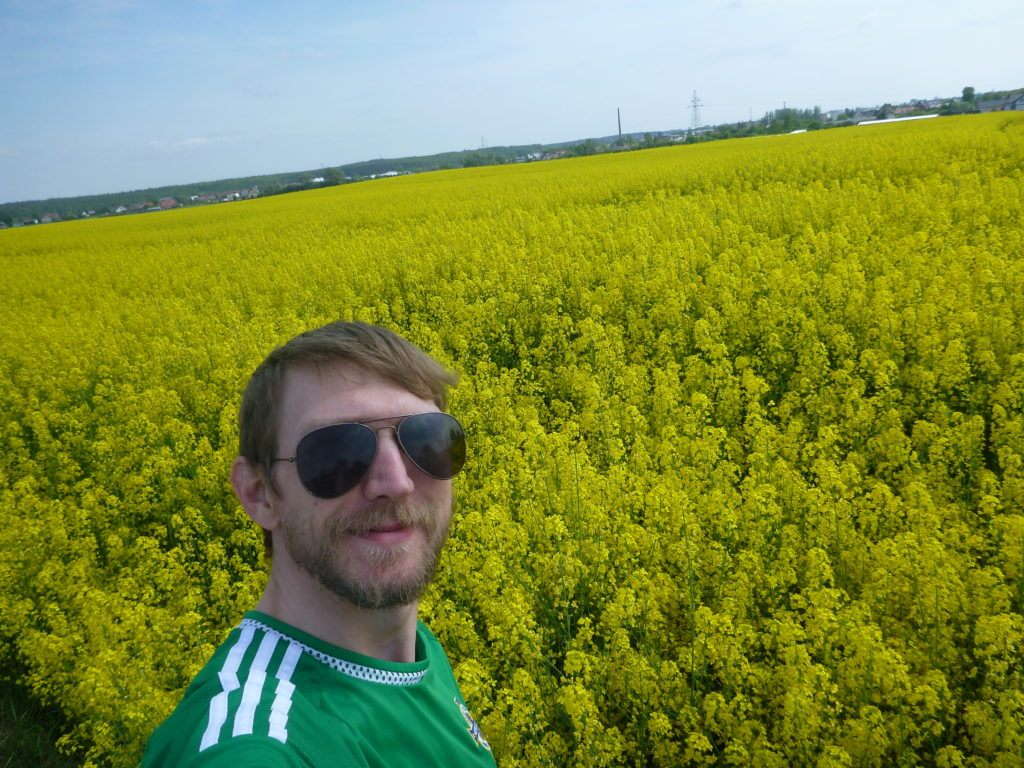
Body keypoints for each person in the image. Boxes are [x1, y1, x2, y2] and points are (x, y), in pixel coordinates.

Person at [142, 321, 495, 766]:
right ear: (258, 493)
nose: (396, 481)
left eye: (426, 440)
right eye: (336, 453)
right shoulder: (254, 744)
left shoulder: (406, 649)